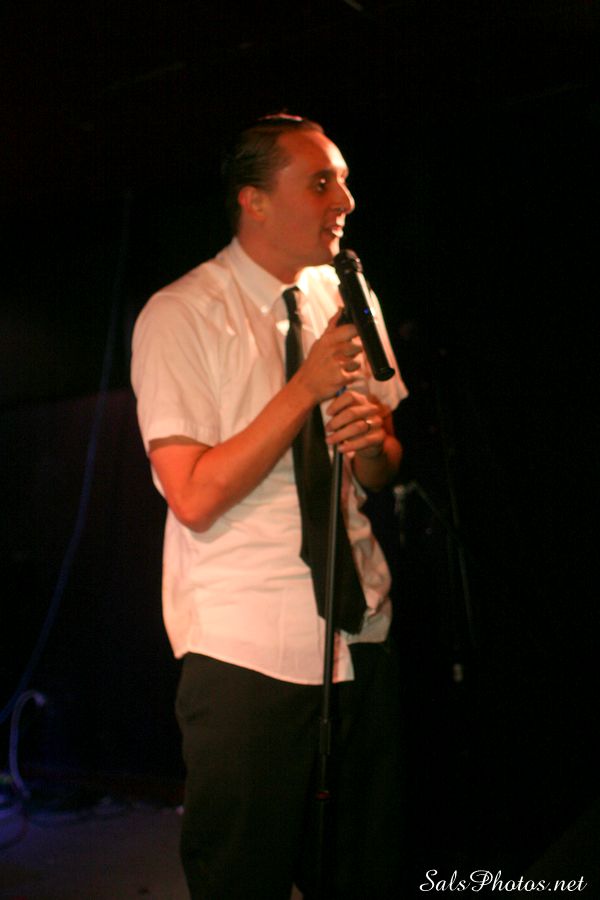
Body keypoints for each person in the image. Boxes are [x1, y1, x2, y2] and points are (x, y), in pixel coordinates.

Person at [131, 114, 409, 899]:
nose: (344, 200)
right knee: (242, 880)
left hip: (361, 627)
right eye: (321, 183)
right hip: (249, 650)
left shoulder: (346, 293)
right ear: (253, 201)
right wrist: (304, 389)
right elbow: (192, 495)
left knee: (365, 874)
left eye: (343, 180)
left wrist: (374, 441)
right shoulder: (182, 313)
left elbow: (384, 470)